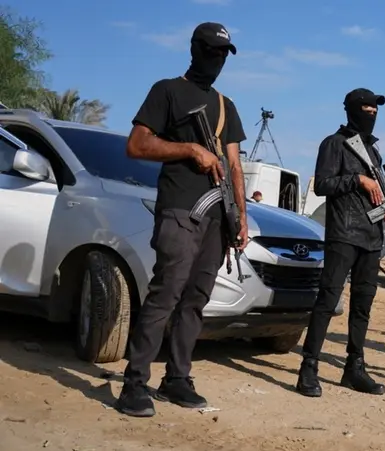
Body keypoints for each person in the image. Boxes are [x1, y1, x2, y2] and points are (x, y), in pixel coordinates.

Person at [115, 22, 247, 418]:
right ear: (195, 49)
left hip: (217, 215)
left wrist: (240, 217)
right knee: (166, 293)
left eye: (224, 53)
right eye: (212, 50)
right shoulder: (167, 91)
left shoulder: (226, 105)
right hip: (180, 209)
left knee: (196, 299)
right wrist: (189, 149)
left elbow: (235, 165)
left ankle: (177, 378)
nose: (218, 58)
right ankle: (134, 383)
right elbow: (137, 145)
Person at [295, 88, 385, 398]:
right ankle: (308, 368)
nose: (372, 114)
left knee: (363, 306)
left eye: (375, 110)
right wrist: (358, 180)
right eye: (367, 109)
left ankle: (354, 368)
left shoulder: (373, 151)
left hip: (372, 238)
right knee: (327, 301)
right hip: (343, 233)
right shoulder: (334, 144)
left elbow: (377, 193)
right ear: (351, 110)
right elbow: (322, 184)